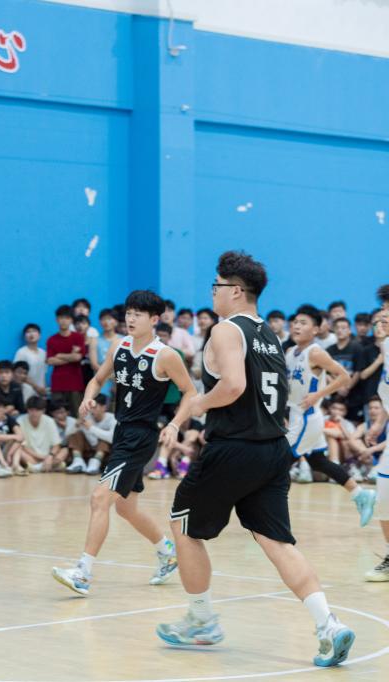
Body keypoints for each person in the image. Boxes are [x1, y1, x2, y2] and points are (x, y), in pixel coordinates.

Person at [157, 252, 354, 668]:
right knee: (277, 542)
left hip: (234, 447)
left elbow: (232, 386)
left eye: (216, 285)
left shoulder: (226, 330)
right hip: (273, 449)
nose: (212, 292)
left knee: (182, 526)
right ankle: (329, 625)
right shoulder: (269, 335)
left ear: (235, 291)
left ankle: (201, 620)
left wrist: (199, 405)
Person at [52, 290, 193, 596]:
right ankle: (167, 552)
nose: (130, 318)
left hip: (141, 437)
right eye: (128, 313)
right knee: (126, 509)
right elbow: (97, 379)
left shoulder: (165, 355)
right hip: (122, 432)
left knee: (99, 499)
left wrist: (174, 424)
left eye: (137, 314)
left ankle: (83, 573)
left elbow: (190, 392)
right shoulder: (119, 346)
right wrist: (88, 398)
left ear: (154, 320)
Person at [283, 306, 377, 523]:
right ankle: (360, 494)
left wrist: (319, 394)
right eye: (295, 322)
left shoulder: (315, 352)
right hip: (296, 413)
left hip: (307, 416)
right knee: (318, 461)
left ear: (316, 329)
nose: (297, 326)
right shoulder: (290, 352)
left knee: (280, 462)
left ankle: (272, 514)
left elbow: (344, 376)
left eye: (303, 323)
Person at [366, 285, 389, 582]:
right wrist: (379, 423)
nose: (383, 315)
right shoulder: (386, 346)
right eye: (383, 309)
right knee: (384, 496)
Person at [47, 306, 86, 415]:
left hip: (75, 383)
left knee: (78, 415)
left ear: (71, 320)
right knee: (56, 415)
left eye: (67, 318)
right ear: (57, 320)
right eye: (61, 318)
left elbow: (78, 357)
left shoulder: (78, 337)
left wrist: (59, 355)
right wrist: (71, 356)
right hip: (57, 384)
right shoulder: (51, 340)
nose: (64, 321)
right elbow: (50, 361)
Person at [15, 396, 63, 472]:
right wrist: (42, 458)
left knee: (65, 450)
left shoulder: (49, 421)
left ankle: (38, 467)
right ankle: (47, 467)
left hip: (48, 456)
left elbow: (56, 445)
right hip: (31, 456)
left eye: (37, 410)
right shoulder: (20, 421)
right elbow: (23, 446)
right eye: (31, 410)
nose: (34, 413)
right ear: (27, 410)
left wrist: (50, 456)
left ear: (43, 411)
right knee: (18, 450)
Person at [14, 323, 48, 396]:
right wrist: (36, 387)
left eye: (34, 331)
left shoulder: (43, 353)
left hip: (41, 391)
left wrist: (43, 390)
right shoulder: (21, 352)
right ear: (24, 337)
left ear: (39, 335)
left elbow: (44, 374)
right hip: (26, 389)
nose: (31, 334)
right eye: (28, 332)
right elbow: (18, 374)